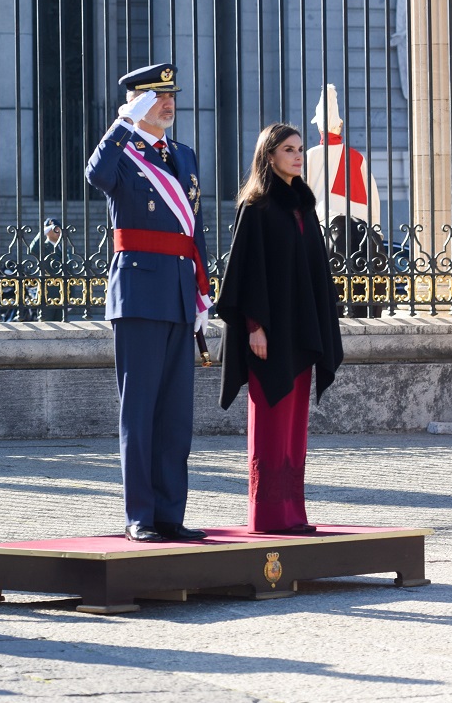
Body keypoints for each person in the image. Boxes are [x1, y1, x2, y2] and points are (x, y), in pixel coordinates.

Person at [84, 62, 211, 543]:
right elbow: (96, 174)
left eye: (171, 96)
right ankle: (140, 514)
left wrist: (201, 288)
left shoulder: (184, 155)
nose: (168, 103)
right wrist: (123, 123)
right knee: (138, 412)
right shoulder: (123, 153)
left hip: (179, 292)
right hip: (138, 292)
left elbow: (193, 227)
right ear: (138, 103)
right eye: (157, 98)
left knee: (175, 414)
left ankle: (169, 513)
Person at [217, 123, 344, 534]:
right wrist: (255, 327)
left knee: (294, 426)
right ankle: (269, 516)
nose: (298, 156)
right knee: (271, 421)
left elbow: (314, 274)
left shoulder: (303, 207)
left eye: (300, 149)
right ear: (269, 155)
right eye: (289, 150)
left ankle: (293, 514)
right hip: (268, 335)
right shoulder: (256, 206)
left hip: (301, 334)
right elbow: (246, 273)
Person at [306, 84, 387, 317]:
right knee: (367, 291)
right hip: (361, 229)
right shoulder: (357, 157)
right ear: (339, 126)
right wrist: (376, 232)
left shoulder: (310, 155)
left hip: (327, 227)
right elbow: (373, 198)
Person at [26, 218, 68, 321]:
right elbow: (32, 249)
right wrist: (45, 230)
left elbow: (70, 271)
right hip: (47, 293)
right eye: (55, 229)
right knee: (46, 324)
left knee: (62, 325)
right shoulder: (43, 247)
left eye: (59, 229)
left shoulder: (63, 248)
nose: (58, 232)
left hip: (62, 294)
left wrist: (71, 295)